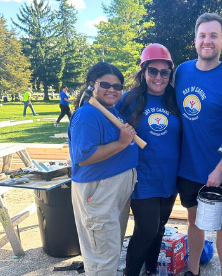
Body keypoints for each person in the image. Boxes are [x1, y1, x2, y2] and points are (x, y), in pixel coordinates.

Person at [176, 13, 222, 276]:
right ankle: (192, 271)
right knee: (193, 222)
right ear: (195, 40)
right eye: (203, 35)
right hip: (188, 168)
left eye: (214, 36)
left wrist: (220, 169)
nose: (208, 41)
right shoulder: (181, 72)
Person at [67, 62, 140, 276]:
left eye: (117, 86)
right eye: (105, 84)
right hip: (98, 191)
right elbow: (83, 156)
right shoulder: (87, 115)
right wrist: (121, 143)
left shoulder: (111, 111)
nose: (112, 90)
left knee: (110, 248)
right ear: (92, 85)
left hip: (112, 190)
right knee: (102, 256)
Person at [116, 44, 183, 276]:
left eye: (164, 72)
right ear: (143, 72)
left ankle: (151, 270)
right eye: (152, 71)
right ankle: (131, 272)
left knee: (159, 228)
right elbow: (104, 119)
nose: (158, 77)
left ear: (170, 74)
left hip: (170, 177)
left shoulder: (176, 99)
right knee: (147, 229)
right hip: (142, 175)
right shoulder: (129, 100)